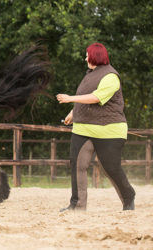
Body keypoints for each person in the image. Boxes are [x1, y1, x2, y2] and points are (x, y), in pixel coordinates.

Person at [56, 42, 135, 211]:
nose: (85, 58)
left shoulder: (111, 76)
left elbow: (96, 98)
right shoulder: (89, 75)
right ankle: (77, 204)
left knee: (111, 168)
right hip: (83, 128)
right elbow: (84, 98)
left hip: (109, 130)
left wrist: (70, 99)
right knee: (77, 164)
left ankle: (128, 196)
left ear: (94, 56)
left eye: (87, 55)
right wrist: (73, 112)